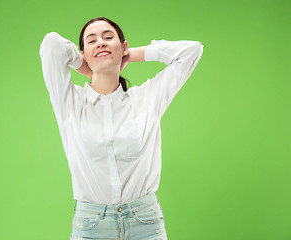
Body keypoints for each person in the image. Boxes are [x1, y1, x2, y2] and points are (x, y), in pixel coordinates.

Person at [39, 16, 203, 240]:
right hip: (91, 226)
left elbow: (191, 51)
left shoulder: (146, 99)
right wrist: (85, 65)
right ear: (83, 52)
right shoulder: (70, 103)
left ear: (123, 46)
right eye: (92, 40)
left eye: (108, 37)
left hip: (145, 222)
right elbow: (51, 44)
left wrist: (131, 55)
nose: (101, 43)